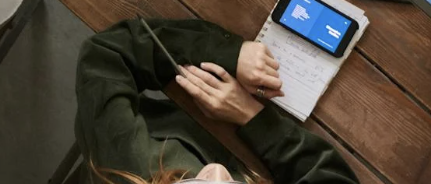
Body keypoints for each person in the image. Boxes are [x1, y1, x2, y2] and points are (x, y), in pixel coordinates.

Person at [76, 17, 358, 184]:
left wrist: (227, 54)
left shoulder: (124, 163)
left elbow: (105, 57)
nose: (216, 171)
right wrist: (253, 117)